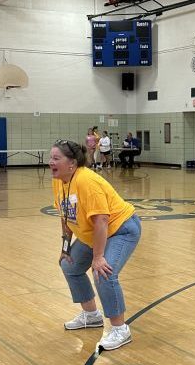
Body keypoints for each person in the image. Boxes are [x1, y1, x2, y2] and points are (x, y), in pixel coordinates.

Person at [49, 139, 141, 351]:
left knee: (103, 272)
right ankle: (91, 315)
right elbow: (66, 215)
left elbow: (102, 220)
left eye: (56, 158)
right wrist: (65, 248)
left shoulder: (86, 181)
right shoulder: (59, 180)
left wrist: (98, 258)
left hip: (121, 229)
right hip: (94, 233)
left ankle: (120, 329)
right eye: (50, 158)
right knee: (70, 266)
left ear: (72, 163)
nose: (50, 162)